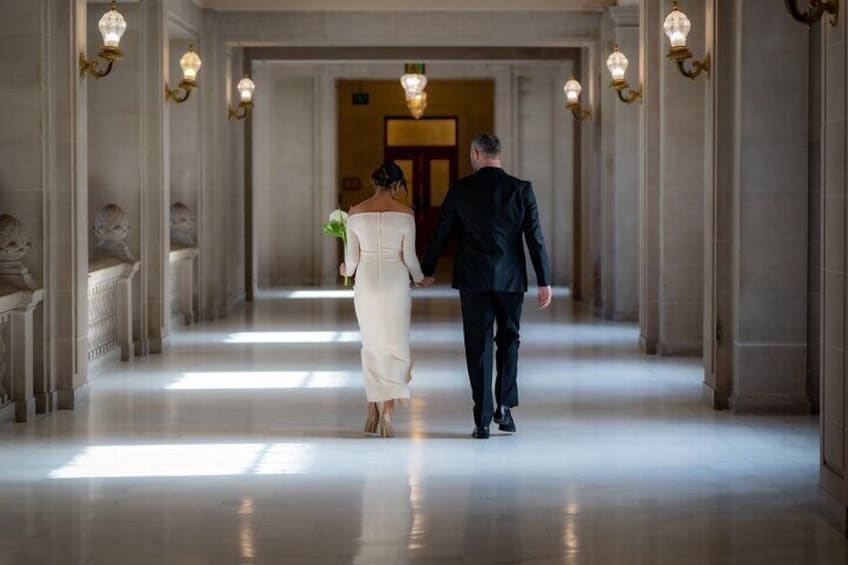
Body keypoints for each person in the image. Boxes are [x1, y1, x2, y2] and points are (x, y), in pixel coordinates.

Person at [421, 133, 552, 439]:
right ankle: (504, 408)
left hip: (473, 279)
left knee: (478, 346)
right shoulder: (521, 189)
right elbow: (535, 236)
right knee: (509, 340)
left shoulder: (461, 189)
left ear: (476, 155)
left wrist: (427, 269)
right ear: (499, 155)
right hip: (511, 279)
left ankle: (481, 419)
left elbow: (441, 232)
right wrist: (543, 279)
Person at [340, 162, 425, 438]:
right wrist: (420, 277)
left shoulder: (355, 213)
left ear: (374, 183)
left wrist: (345, 270)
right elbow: (410, 258)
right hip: (395, 285)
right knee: (395, 346)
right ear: (398, 185)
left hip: (366, 285)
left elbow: (351, 263)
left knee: (371, 345)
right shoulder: (405, 214)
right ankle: (387, 411)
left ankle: (371, 409)